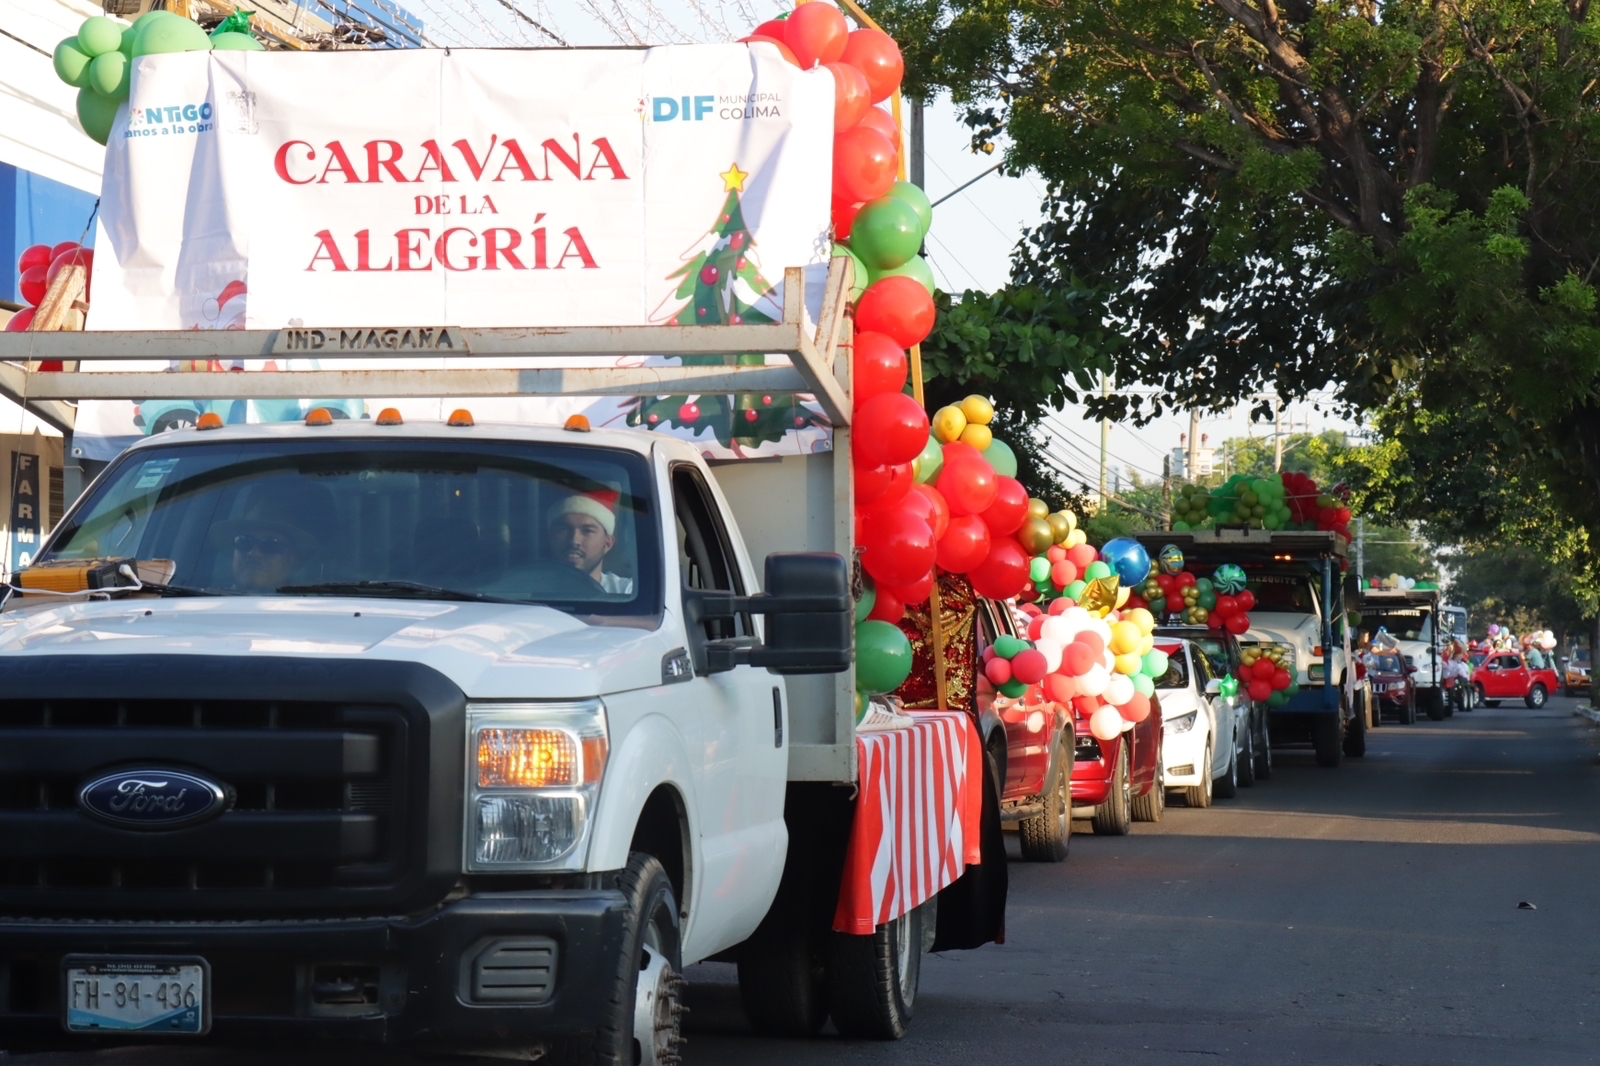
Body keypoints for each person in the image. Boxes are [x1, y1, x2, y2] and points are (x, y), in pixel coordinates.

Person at [214, 480, 330, 593]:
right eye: (244, 542)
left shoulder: (308, 610)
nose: (253, 553)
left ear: (293, 558)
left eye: (270, 545)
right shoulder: (205, 604)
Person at [546, 487, 633, 594]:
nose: (574, 540)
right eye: (563, 529)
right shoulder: (530, 590)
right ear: (550, 538)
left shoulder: (625, 591)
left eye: (587, 531)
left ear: (607, 543)